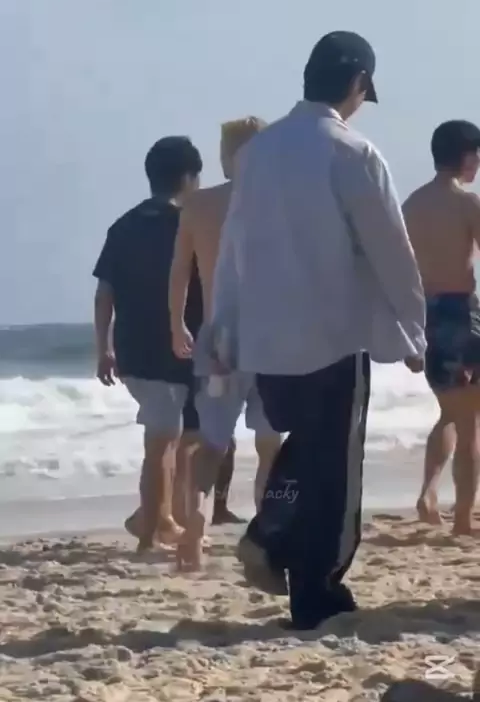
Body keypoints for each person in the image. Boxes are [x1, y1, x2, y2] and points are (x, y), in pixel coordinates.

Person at [207, 31, 426, 630]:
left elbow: (233, 250)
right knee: (335, 470)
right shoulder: (351, 151)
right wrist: (413, 329)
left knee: (307, 448)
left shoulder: (258, 153)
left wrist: (224, 327)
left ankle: (270, 535)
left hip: (267, 337)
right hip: (332, 334)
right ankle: (314, 590)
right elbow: (389, 248)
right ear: (359, 84)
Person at [169, 118, 282, 567]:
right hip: (269, 335)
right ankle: (266, 534)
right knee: (270, 442)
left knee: (212, 441)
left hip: (219, 336)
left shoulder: (198, 205)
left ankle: (195, 527)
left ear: (224, 155)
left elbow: (179, 272)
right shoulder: (279, 201)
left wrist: (176, 324)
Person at [93, 136, 203, 553]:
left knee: (174, 437)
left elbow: (105, 293)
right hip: (174, 348)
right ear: (189, 178)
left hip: (133, 349)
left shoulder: (123, 226)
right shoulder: (188, 224)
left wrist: (103, 348)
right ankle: (147, 535)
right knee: (163, 441)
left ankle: (157, 517)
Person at [403, 120, 480, 535]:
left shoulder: (411, 206)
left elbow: (400, 273)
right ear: (466, 156)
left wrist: (406, 333)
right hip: (461, 315)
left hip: (425, 316)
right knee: (470, 424)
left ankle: (429, 492)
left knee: (450, 411)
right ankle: (464, 518)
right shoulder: (467, 203)